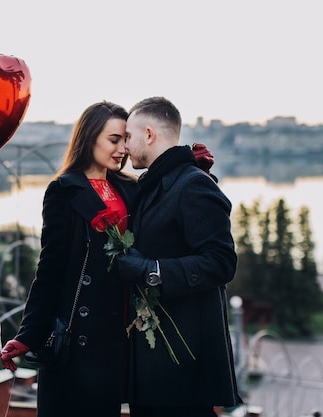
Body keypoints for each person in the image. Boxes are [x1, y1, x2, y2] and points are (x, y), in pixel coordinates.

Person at [0, 101, 137, 417]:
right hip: (78, 336)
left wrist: (188, 165)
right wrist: (28, 335)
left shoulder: (131, 188)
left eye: (125, 141)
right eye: (113, 139)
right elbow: (50, 267)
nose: (122, 149)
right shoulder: (64, 190)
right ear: (89, 138)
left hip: (118, 334)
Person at [117, 96, 242, 417]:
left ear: (149, 134)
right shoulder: (154, 185)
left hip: (183, 364)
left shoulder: (193, 185)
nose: (125, 146)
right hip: (154, 365)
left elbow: (221, 262)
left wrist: (151, 270)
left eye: (128, 136)